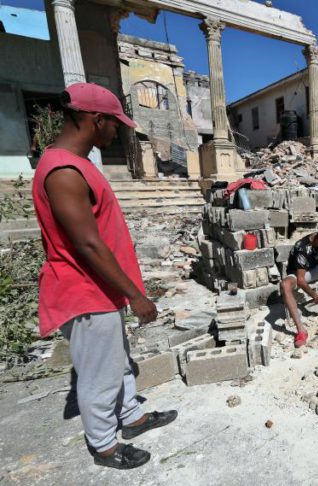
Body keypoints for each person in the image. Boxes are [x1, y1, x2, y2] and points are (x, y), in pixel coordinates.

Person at [32, 83, 177, 469]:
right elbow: (88, 245)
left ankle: (132, 417)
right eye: (115, 125)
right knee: (98, 376)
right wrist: (135, 295)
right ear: (96, 120)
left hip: (101, 290)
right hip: (84, 291)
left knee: (118, 362)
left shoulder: (76, 165)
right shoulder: (63, 170)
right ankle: (105, 446)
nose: (118, 132)